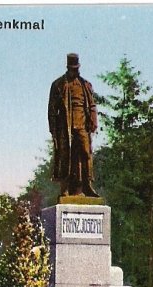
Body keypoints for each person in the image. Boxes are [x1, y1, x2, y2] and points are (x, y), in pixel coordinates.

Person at [48, 53, 99, 197]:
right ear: (68, 68)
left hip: (82, 124)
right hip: (65, 126)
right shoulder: (58, 84)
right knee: (66, 156)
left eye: (76, 68)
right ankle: (65, 188)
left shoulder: (85, 84)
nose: (75, 71)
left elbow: (92, 105)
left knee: (86, 153)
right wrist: (53, 130)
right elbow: (52, 110)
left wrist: (94, 121)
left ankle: (87, 186)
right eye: (72, 68)